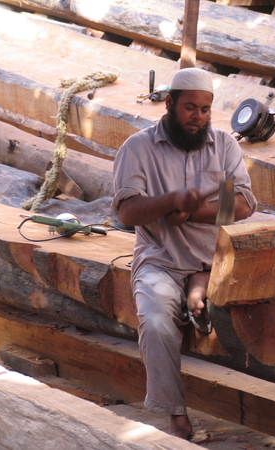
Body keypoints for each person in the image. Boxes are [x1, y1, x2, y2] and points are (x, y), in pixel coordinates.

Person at [111, 68, 257, 439]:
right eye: (190, 108)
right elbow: (127, 212)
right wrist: (170, 201)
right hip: (161, 257)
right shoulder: (139, 147)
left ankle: (201, 281)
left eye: (206, 110)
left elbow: (242, 205)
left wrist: (192, 211)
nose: (198, 117)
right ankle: (175, 415)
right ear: (170, 103)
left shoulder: (222, 145)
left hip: (215, 255)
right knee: (157, 320)